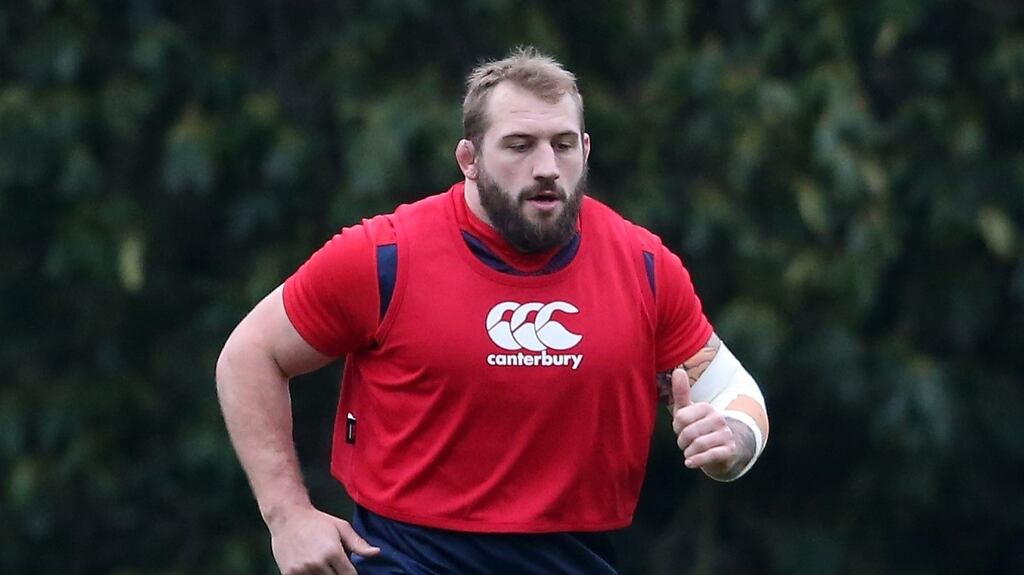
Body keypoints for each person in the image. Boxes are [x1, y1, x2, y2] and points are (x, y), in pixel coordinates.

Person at [216, 46, 769, 575]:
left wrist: (732, 445)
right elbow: (250, 355)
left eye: (563, 144)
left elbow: (736, 395)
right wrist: (287, 516)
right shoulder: (384, 257)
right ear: (469, 159)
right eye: (520, 145)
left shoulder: (643, 267)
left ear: (586, 149)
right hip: (408, 558)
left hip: (574, 558)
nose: (547, 166)